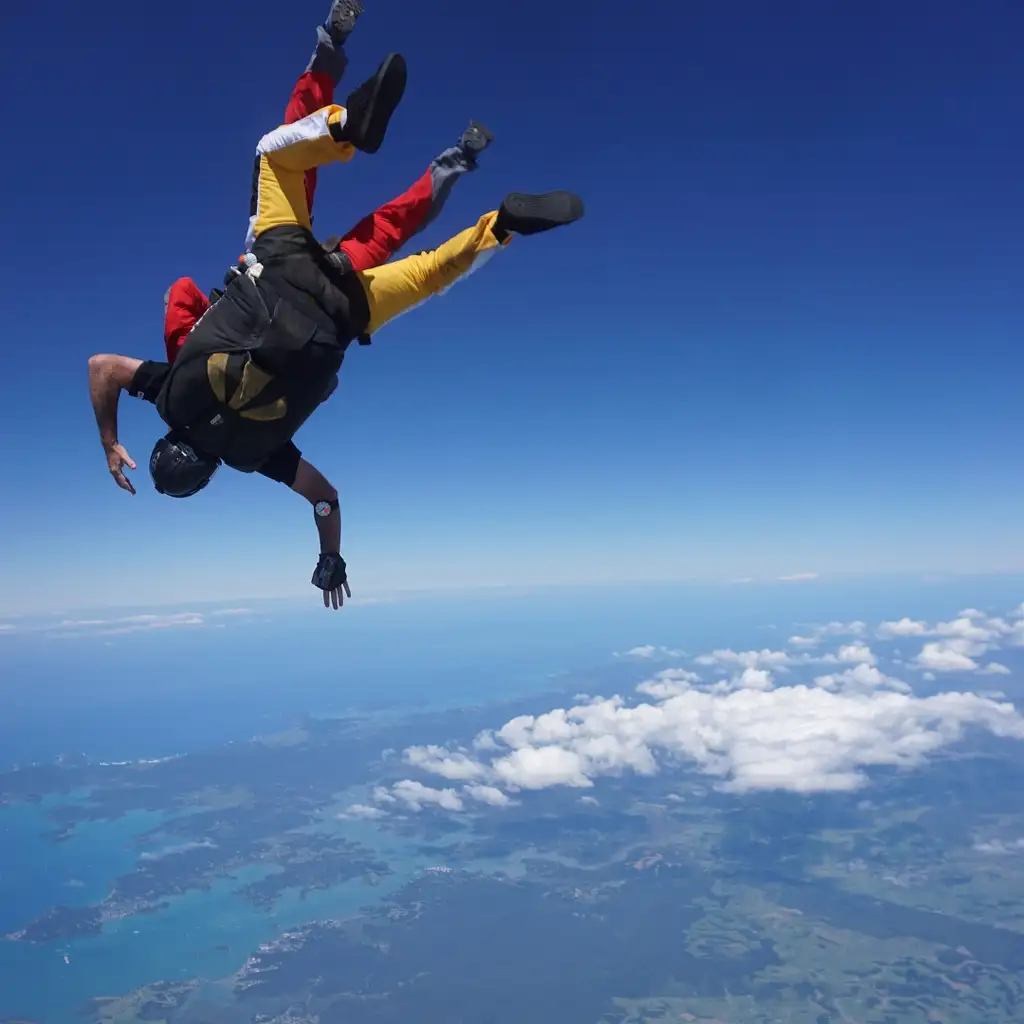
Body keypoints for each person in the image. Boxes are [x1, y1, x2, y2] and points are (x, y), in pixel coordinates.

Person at [87, 51, 584, 610]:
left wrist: (331, 557)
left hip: (343, 313)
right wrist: (109, 443)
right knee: (274, 157)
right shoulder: (169, 396)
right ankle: (345, 127)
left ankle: (503, 225)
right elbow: (102, 366)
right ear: (168, 443)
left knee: (431, 272)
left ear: (207, 475)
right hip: (279, 268)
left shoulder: (256, 457)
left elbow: (324, 499)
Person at [163, 0, 493, 363]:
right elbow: (180, 292)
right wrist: (183, 304)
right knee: (291, 150)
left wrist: (191, 307)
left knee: (401, 241)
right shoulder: (192, 361)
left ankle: (488, 200)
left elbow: (181, 300)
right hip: (290, 265)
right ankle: (342, 73)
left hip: (317, 286)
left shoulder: (196, 372)